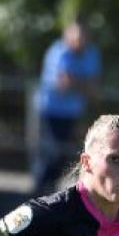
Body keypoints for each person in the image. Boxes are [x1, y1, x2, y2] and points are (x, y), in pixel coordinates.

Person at [33, 20, 101, 194]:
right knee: (51, 152)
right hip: (51, 110)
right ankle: (39, 191)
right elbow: (64, 83)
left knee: (65, 154)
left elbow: (93, 87)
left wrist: (76, 82)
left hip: (73, 112)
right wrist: (83, 84)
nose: (79, 41)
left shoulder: (91, 53)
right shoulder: (58, 51)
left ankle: (49, 190)